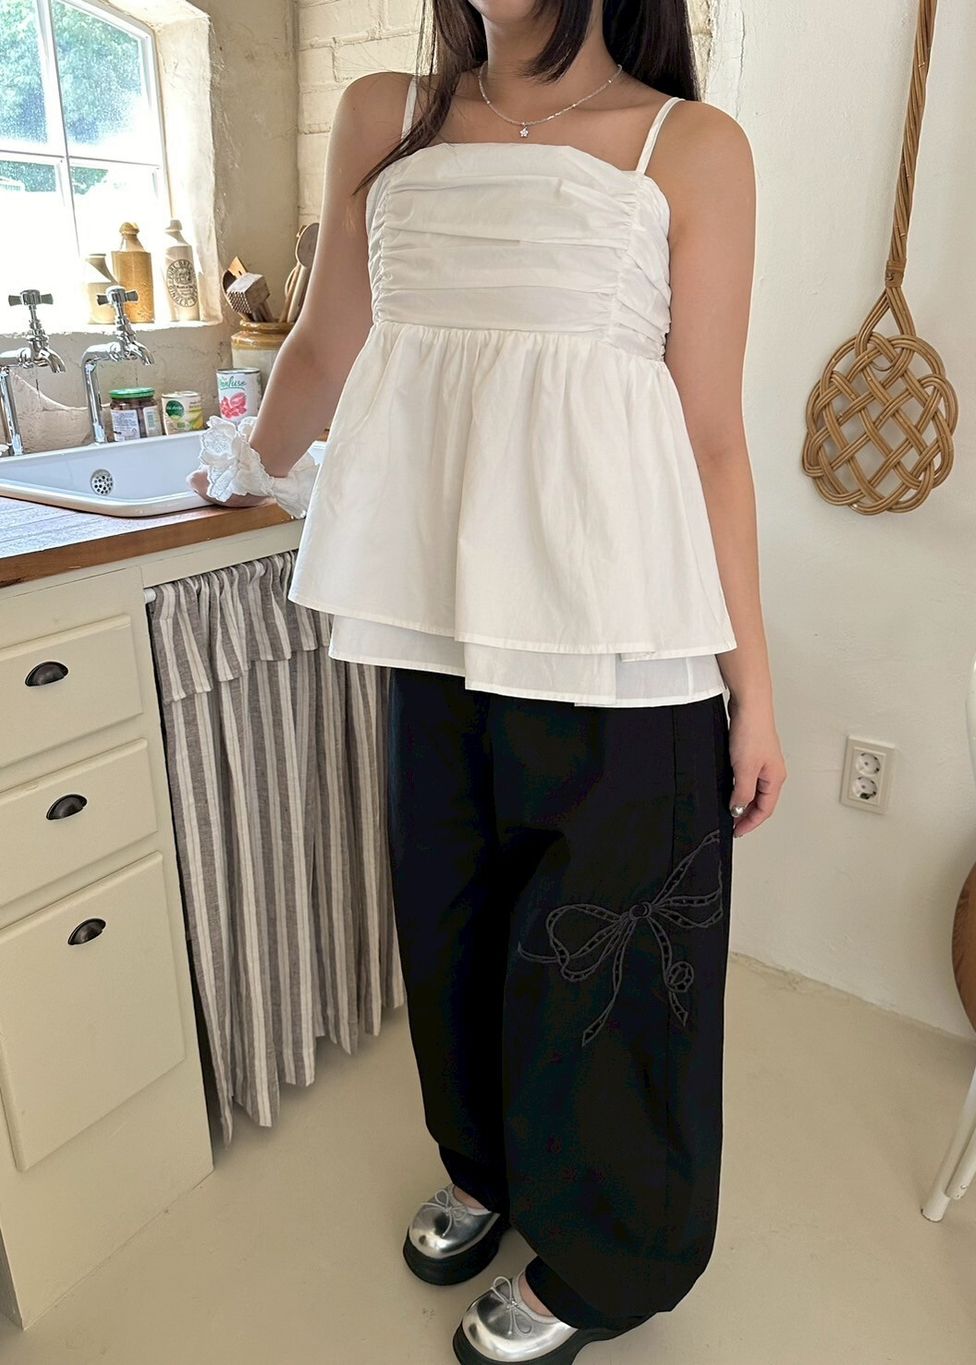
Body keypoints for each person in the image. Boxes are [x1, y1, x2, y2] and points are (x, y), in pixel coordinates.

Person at [189, 2, 787, 1360]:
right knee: (454, 924)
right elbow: (325, 349)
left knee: (606, 966)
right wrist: (238, 469)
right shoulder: (383, 117)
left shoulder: (691, 146)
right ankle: (490, 1166)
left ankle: (603, 1256)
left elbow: (710, 437)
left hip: (624, 637)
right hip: (436, 623)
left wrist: (754, 689)